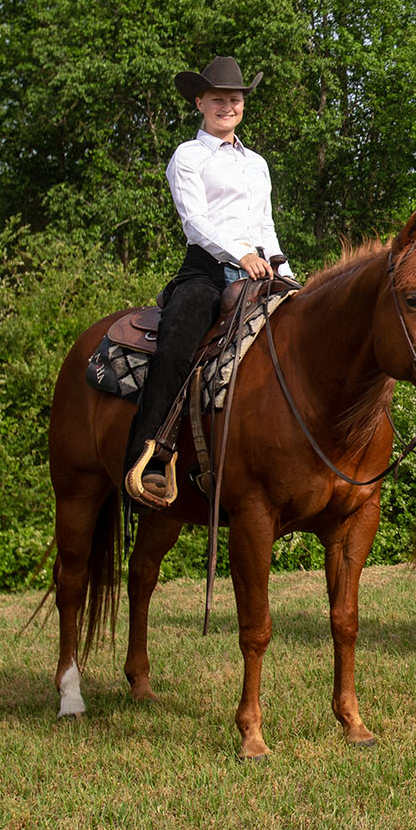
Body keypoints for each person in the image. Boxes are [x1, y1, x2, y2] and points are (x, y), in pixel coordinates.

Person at [124, 55, 297, 508]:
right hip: (205, 270)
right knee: (178, 342)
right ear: (200, 102)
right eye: (218, 98)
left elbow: (266, 225)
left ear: (243, 105)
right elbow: (196, 221)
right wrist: (237, 255)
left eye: (235, 99)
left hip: (260, 270)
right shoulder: (189, 155)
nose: (228, 106)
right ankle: (151, 457)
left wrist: (286, 271)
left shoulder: (257, 163)